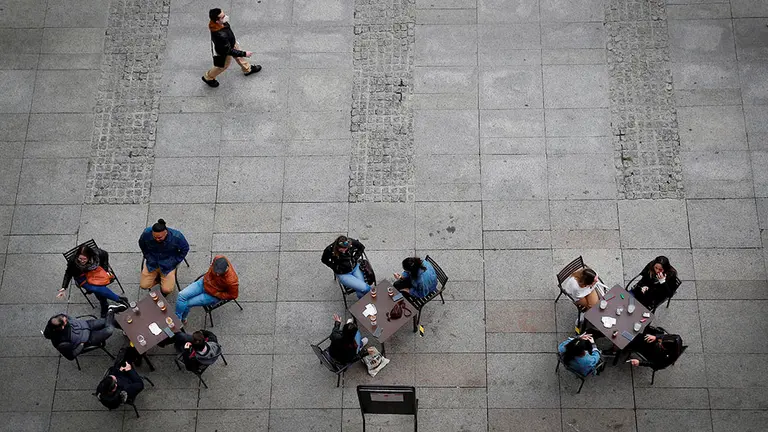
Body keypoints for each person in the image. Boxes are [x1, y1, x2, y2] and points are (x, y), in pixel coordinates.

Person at [58, 244, 129, 317]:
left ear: (89, 256)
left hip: (95, 272)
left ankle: (105, 305)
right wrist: (64, 287)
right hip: (82, 276)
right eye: (80, 258)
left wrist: (105, 271)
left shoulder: (97, 254)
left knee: (97, 290)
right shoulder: (73, 260)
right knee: (95, 288)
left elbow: (105, 254)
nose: (82, 261)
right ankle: (118, 299)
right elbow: (68, 273)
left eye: (85, 259)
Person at [202, 8, 261, 87]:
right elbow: (228, 51)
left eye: (224, 14)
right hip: (225, 50)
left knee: (239, 56)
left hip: (229, 43)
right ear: (217, 21)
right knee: (222, 66)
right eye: (223, 17)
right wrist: (244, 53)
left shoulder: (221, 23)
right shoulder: (219, 35)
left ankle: (247, 69)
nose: (226, 17)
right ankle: (208, 77)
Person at [43, 307, 125, 361]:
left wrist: (75, 321)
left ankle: (121, 325)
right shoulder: (61, 343)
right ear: (62, 327)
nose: (67, 320)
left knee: (109, 321)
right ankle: (110, 312)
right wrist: (81, 345)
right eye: (66, 322)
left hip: (86, 324)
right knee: (109, 330)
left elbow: (66, 316)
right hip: (88, 339)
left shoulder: (56, 319)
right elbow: (71, 356)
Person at [175, 256, 238, 325]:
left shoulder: (232, 281)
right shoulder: (218, 258)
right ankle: (177, 319)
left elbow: (233, 295)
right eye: (216, 271)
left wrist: (217, 294)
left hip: (212, 295)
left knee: (187, 303)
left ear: (226, 268)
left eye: (219, 273)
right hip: (204, 283)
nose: (217, 274)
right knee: (181, 295)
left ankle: (182, 320)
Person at [138, 219, 190, 296]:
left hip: (168, 265)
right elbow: (142, 244)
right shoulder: (146, 233)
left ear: (166, 232)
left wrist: (175, 260)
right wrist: (147, 256)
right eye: (154, 237)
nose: (157, 239)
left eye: (159, 237)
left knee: (167, 290)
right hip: (152, 263)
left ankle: (161, 280)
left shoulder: (177, 236)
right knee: (143, 286)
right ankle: (159, 279)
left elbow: (185, 248)